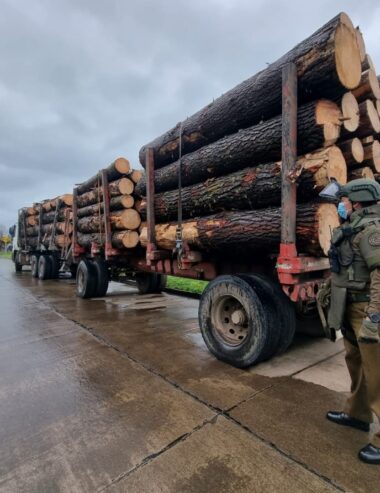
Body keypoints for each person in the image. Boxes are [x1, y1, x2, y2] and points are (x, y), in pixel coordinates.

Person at [320, 178, 380, 465]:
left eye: (342, 201)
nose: (340, 205)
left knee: (377, 372)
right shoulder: (353, 227)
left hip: (365, 309)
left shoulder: (371, 231)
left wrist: (374, 317)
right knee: (356, 364)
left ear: (356, 202)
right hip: (350, 308)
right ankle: (358, 415)